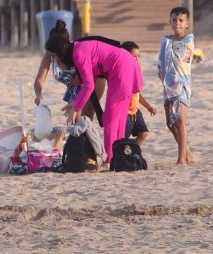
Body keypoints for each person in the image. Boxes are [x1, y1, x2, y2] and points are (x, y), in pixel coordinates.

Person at [49, 22, 145, 165]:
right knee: (117, 117)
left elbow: (89, 85)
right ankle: (117, 156)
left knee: (110, 118)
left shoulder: (78, 54)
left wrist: (76, 109)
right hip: (124, 65)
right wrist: (76, 103)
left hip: (121, 68)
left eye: (56, 58)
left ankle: (110, 159)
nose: (56, 61)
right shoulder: (77, 48)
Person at [157, 5, 199, 165]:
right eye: (174, 20)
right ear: (170, 21)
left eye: (181, 20)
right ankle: (187, 152)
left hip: (182, 84)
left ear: (187, 23)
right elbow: (161, 61)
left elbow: (183, 56)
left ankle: (181, 159)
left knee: (180, 120)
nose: (177, 23)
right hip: (167, 86)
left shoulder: (189, 40)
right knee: (170, 122)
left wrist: (168, 44)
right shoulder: (166, 40)